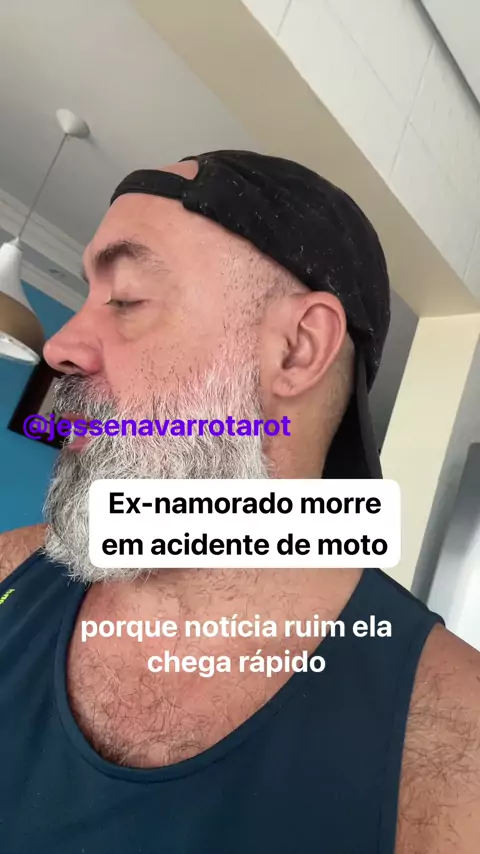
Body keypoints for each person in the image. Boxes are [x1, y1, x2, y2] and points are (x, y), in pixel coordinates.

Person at [0, 151, 479, 854]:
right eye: (85, 298)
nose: (62, 347)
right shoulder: (9, 568)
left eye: (125, 299)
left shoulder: (455, 749)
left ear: (297, 349)